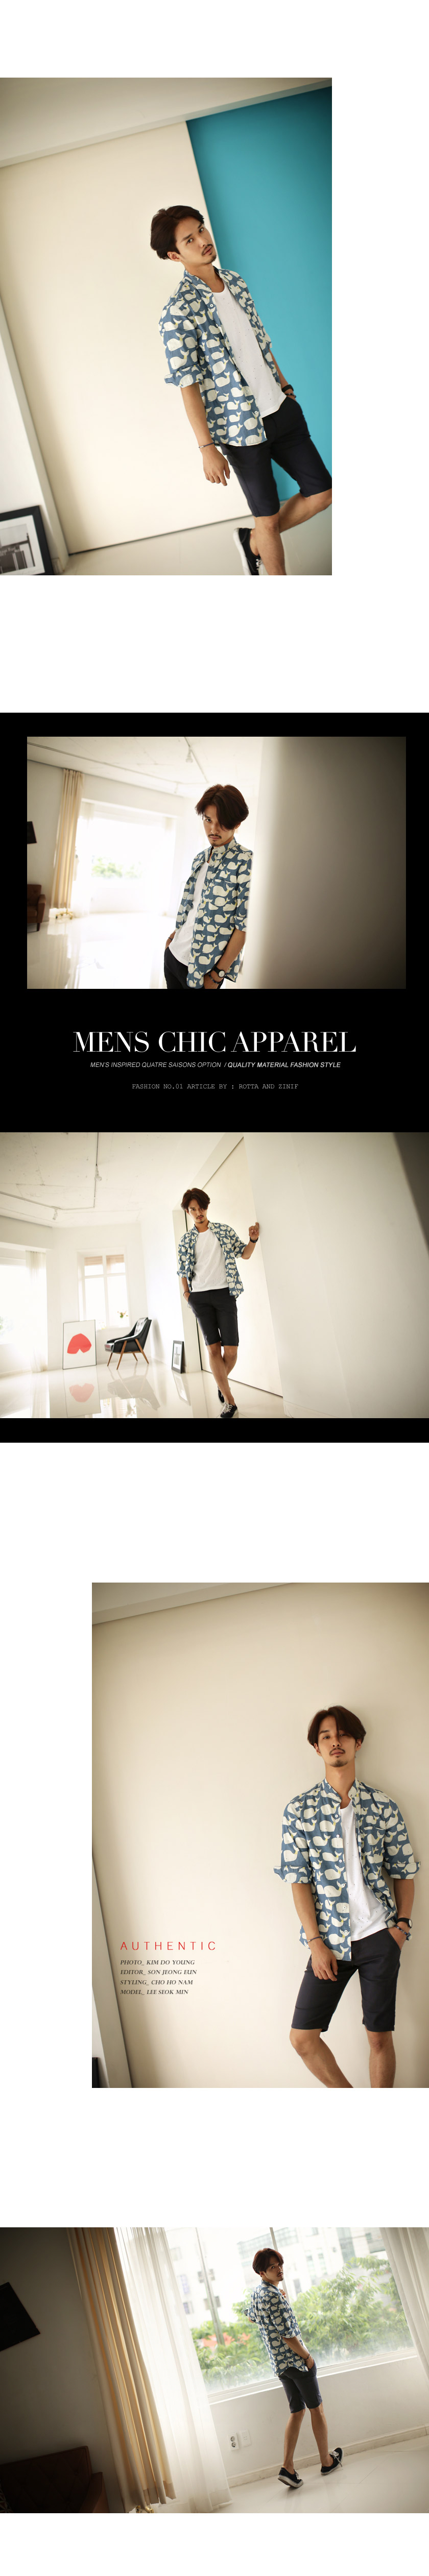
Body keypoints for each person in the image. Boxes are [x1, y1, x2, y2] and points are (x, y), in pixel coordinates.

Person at [151, 205, 332, 577]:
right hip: (240, 429)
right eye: (189, 239)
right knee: (267, 518)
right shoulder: (177, 312)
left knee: (323, 493)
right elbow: (187, 384)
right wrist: (207, 448)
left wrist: (285, 387)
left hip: (281, 409)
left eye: (201, 230)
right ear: (174, 255)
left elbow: (260, 342)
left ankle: (252, 543)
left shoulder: (235, 281)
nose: (203, 240)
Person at [275, 1705, 419, 2089]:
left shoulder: (384, 1806)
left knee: (379, 2038)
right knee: (303, 2039)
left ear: (358, 1743)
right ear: (317, 1747)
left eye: (342, 1735)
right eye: (326, 1736)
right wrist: (316, 1943)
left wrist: (402, 1928)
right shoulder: (299, 1811)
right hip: (329, 1945)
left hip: (380, 1937)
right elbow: (298, 1881)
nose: (335, 1742)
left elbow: (404, 1871)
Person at [244, 2248, 342, 2490]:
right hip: (296, 2362)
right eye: (273, 2267)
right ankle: (326, 2461)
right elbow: (288, 2336)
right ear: (262, 2272)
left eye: (279, 2264)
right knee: (317, 2409)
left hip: (280, 2364)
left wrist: (277, 2298)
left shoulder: (259, 2293)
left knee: (297, 2411)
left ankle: (287, 2468)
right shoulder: (274, 2296)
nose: (279, 2269)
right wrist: (307, 2357)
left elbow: (251, 2317)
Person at [177, 1186, 260, 1421]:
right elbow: (182, 1271)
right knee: (213, 1349)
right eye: (193, 1210)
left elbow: (245, 1254)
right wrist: (187, 1294)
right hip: (200, 1298)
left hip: (225, 1294)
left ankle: (220, 1382)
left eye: (201, 1208)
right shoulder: (186, 1240)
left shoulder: (223, 1231)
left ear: (206, 1207)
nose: (198, 1213)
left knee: (231, 1352)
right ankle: (230, 1402)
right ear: (188, 1212)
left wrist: (253, 1239)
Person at [164, 785, 252, 990]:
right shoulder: (200, 858)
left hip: (203, 972)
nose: (213, 830)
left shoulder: (246, 862)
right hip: (174, 956)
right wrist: (171, 938)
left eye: (222, 823)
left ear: (237, 823)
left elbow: (243, 927)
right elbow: (193, 908)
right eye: (208, 820)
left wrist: (218, 975)